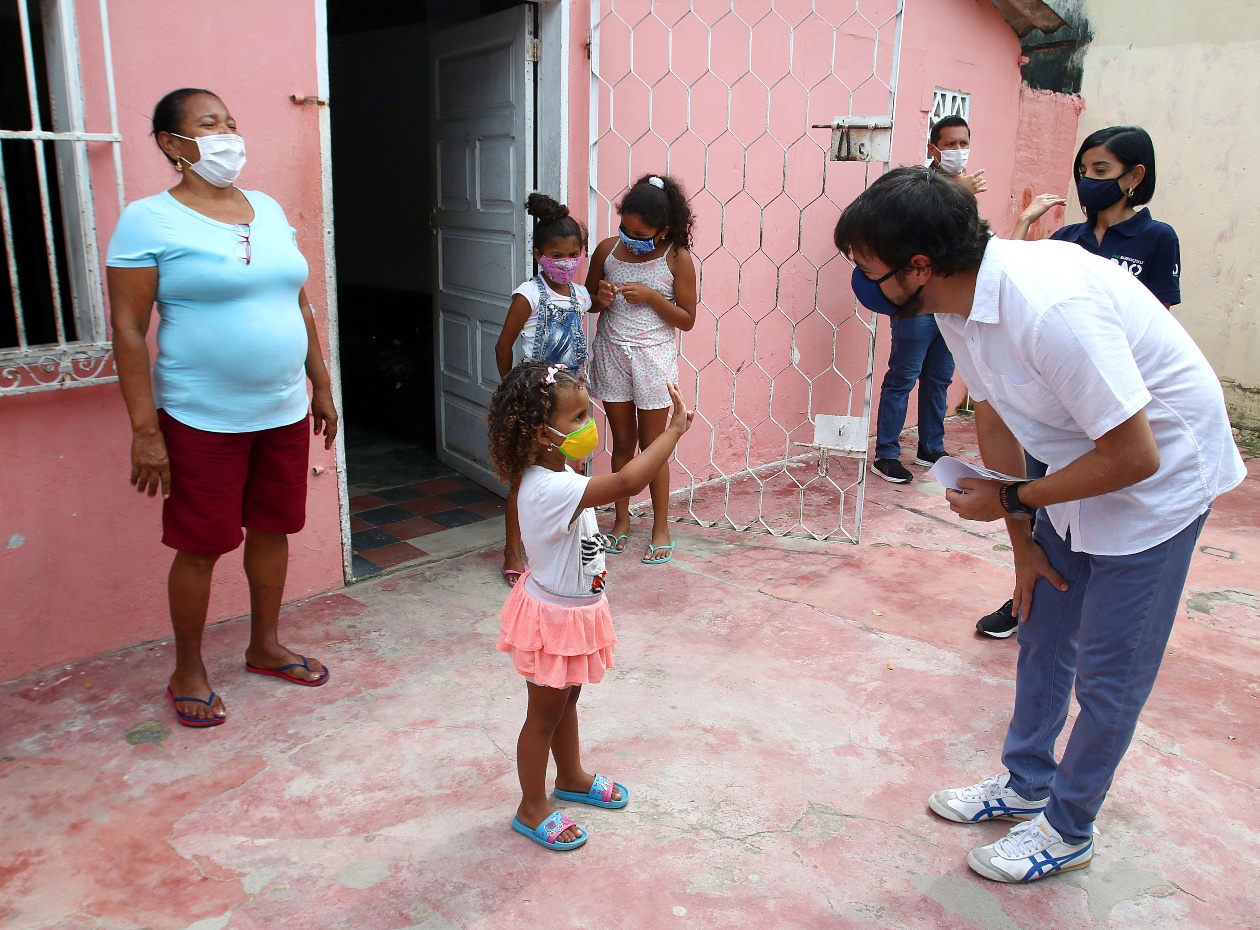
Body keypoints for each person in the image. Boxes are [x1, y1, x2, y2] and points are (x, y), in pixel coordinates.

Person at [834, 166, 1243, 883]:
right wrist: (1022, 544)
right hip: (1071, 468)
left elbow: (1135, 455)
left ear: (919, 267)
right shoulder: (957, 307)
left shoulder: (1050, 307)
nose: (862, 282)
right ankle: (1028, 783)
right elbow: (994, 417)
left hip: (1159, 483)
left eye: (868, 267)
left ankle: (1069, 826)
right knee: (1044, 630)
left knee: (1111, 676)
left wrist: (1016, 501)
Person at [107, 88, 338, 728]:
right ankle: (188, 667)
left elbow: (300, 302)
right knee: (202, 543)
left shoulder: (264, 208)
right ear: (171, 144)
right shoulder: (148, 219)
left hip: (284, 407)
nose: (227, 135)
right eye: (209, 124)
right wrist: (145, 429)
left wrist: (320, 383)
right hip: (200, 415)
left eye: (231, 122)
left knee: (273, 528)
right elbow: (127, 327)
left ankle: (264, 644)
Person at [978, 126, 1181, 639]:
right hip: (1059, 401)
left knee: (1106, 506)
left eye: (1101, 171)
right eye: (1083, 171)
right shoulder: (1068, 238)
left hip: (1113, 397)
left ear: (1135, 176)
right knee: (1045, 503)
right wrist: (1025, 221)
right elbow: (1012, 274)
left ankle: (1097, 611)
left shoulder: (1157, 238)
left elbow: (1154, 319)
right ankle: (1032, 597)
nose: (1088, 181)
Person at [486, 360, 692, 850]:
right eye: (577, 417)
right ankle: (532, 806)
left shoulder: (562, 471)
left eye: (587, 412)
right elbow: (626, 484)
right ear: (542, 433)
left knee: (567, 698)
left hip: (575, 612)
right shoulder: (549, 487)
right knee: (543, 714)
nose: (590, 424)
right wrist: (673, 431)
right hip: (554, 619)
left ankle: (572, 776)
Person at [586, 174, 698, 563]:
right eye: (625, 228)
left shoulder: (676, 259)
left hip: (653, 360)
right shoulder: (607, 251)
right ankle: (621, 520)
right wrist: (598, 299)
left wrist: (652, 297)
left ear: (664, 230)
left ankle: (660, 526)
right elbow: (591, 303)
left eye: (641, 232)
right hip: (613, 353)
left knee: (654, 448)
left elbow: (687, 319)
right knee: (621, 443)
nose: (630, 237)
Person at [494, 193, 593, 587]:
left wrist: (602, 297)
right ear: (539, 254)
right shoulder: (529, 295)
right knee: (525, 475)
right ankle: (513, 549)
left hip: (570, 402)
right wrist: (510, 393)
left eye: (573, 254)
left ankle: (563, 543)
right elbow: (504, 345)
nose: (565, 262)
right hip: (536, 402)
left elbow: (591, 310)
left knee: (571, 468)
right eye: (556, 254)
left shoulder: (580, 296)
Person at [927, 114, 987, 195]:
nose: (958, 150)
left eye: (963, 143)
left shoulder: (968, 183)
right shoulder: (923, 185)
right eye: (950, 144)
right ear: (932, 149)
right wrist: (961, 191)